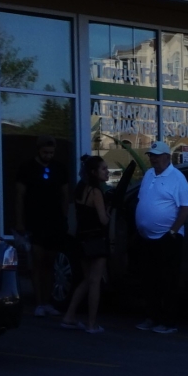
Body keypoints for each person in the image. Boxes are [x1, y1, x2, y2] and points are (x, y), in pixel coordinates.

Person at [132, 144, 188, 335]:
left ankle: (168, 321)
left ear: (168, 156)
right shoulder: (149, 174)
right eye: (151, 155)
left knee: (168, 280)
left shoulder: (177, 178)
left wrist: (173, 232)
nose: (153, 159)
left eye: (157, 156)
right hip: (147, 238)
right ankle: (152, 316)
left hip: (167, 238)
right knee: (149, 279)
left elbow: (185, 208)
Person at [60, 155, 113, 334]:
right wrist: (108, 211)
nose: (107, 172)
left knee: (86, 279)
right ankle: (91, 324)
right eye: (103, 169)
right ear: (93, 172)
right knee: (95, 282)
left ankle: (69, 316)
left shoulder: (81, 190)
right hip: (96, 240)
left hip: (81, 239)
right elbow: (103, 220)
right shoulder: (96, 192)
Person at [20, 139, 69, 317]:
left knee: (50, 262)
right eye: (45, 152)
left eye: (51, 152)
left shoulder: (60, 168)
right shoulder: (27, 168)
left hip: (55, 221)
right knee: (37, 261)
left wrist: (64, 217)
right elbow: (20, 194)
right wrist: (20, 221)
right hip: (35, 221)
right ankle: (39, 301)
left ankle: (48, 301)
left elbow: (65, 194)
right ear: (39, 150)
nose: (48, 155)